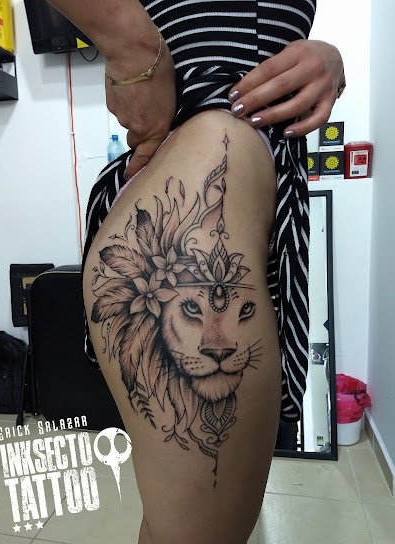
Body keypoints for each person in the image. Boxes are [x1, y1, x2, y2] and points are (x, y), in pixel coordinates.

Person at [50, 2, 345, 543]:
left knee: (172, 525)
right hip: (200, 182)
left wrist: (326, 59)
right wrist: (128, 41)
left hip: (234, 187)